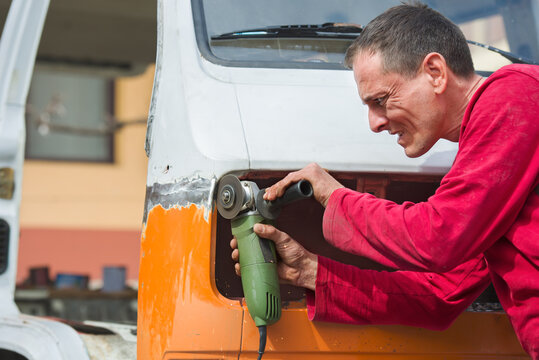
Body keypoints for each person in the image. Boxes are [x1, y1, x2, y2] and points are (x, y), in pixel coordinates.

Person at [230, 2, 539, 358]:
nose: (375, 123)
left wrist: (335, 197)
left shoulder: (515, 96)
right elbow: (441, 294)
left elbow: (439, 236)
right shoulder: (494, 151)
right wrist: (310, 271)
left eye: (381, 100)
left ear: (435, 72)